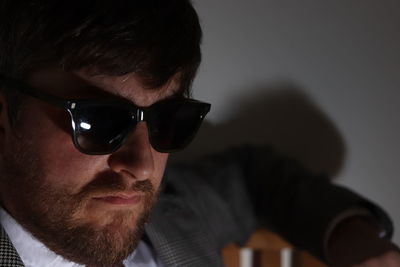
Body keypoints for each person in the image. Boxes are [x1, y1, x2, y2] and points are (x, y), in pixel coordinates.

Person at [0, 1, 398, 266]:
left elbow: (253, 177)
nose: (142, 164)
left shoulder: (174, 214)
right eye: (99, 121)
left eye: (168, 120)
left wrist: (351, 237)